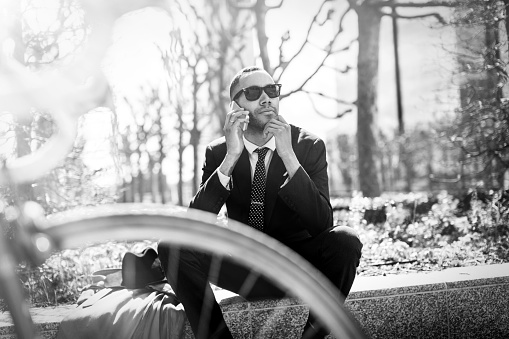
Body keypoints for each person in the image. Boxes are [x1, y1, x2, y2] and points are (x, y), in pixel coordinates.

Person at [158, 66, 362, 339]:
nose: (266, 98)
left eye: (272, 90)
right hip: (245, 268)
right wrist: (231, 157)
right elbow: (196, 223)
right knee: (172, 244)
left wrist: (288, 156)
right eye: (253, 92)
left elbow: (322, 223)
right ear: (236, 106)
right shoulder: (219, 151)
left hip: (298, 267)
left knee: (346, 240)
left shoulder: (308, 145)